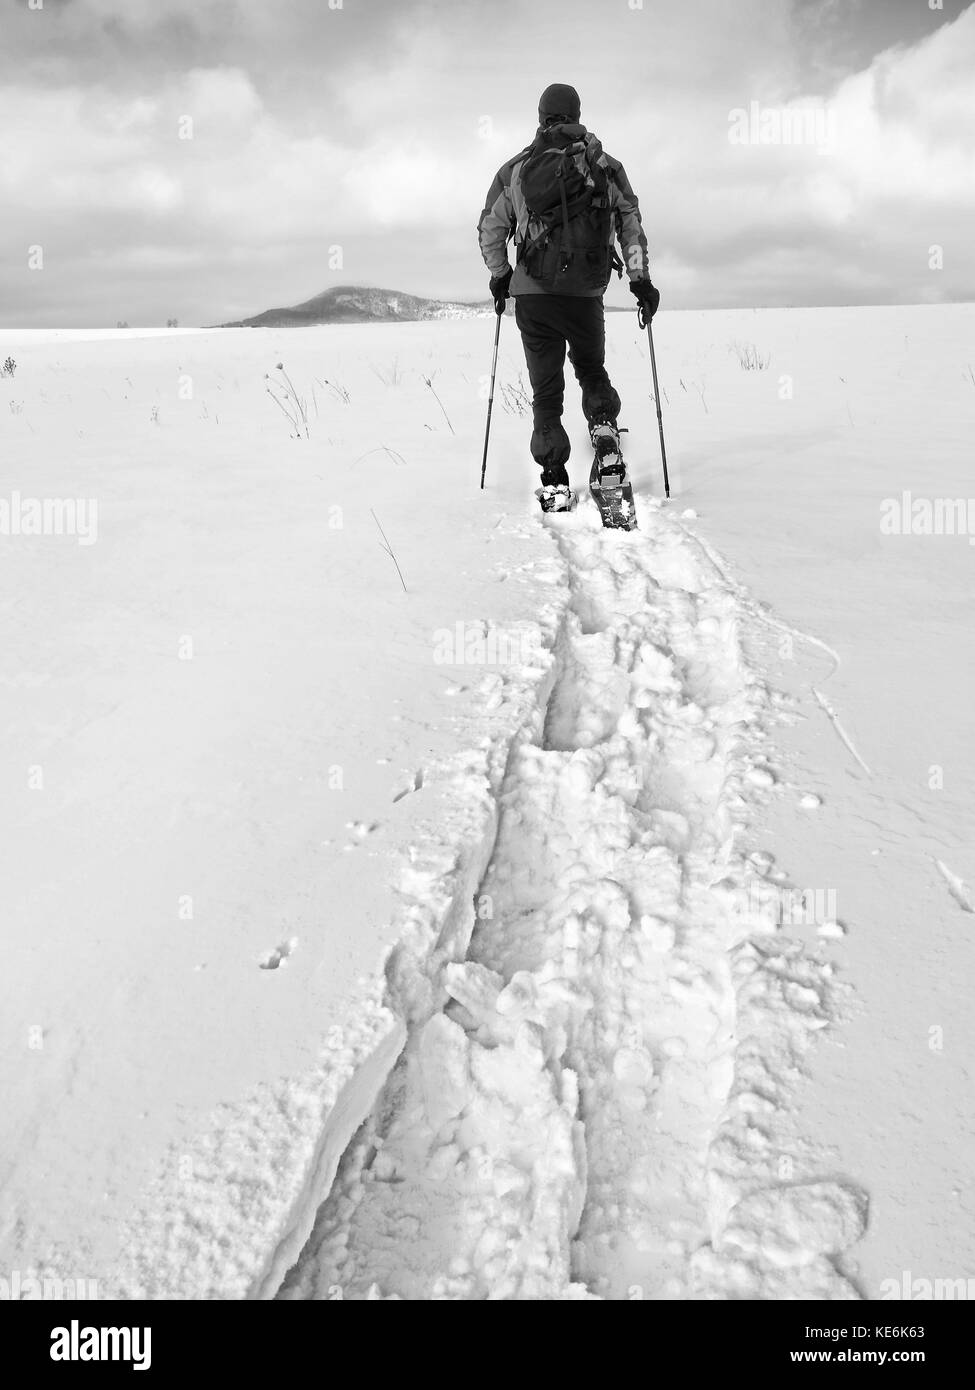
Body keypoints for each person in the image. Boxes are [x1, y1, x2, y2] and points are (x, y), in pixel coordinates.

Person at [477, 82, 660, 512]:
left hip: (534, 298)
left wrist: (502, 275)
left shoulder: (516, 170)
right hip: (585, 293)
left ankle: (555, 480)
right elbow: (630, 224)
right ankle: (604, 436)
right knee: (591, 370)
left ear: (541, 116)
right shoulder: (605, 165)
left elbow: (490, 229)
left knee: (545, 392)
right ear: (577, 113)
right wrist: (639, 281)